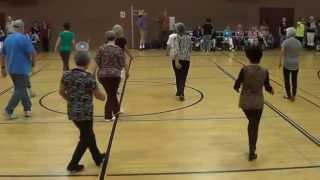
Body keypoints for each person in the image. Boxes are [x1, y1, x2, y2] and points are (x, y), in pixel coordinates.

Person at [59, 51, 106, 173]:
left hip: (72, 112)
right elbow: (100, 96)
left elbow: (61, 91)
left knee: (88, 135)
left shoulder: (66, 75)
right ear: (87, 62)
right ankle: (72, 165)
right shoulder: (88, 77)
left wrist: (72, 100)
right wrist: (103, 95)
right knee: (86, 138)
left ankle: (98, 158)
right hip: (85, 113)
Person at [234, 45, 274, 161]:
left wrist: (241, 87)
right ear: (261, 56)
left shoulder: (244, 69)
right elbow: (267, 87)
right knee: (254, 125)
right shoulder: (265, 71)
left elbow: (236, 86)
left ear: (247, 56)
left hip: (245, 103)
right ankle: (252, 151)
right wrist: (271, 90)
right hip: (258, 103)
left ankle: (252, 149)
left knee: (252, 123)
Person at [1, 19, 36, 119]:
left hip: (11, 69)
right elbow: (33, 53)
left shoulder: (7, 39)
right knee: (20, 89)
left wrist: (3, 68)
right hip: (22, 69)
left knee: (21, 89)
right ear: (22, 27)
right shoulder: (24, 38)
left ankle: (27, 109)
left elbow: (3, 54)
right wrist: (33, 64)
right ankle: (8, 110)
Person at [91, 31, 129, 121]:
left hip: (102, 76)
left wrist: (92, 73)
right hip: (115, 75)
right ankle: (108, 116)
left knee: (111, 93)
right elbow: (123, 62)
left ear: (106, 38)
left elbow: (96, 61)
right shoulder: (118, 49)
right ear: (115, 38)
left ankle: (116, 110)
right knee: (112, 94)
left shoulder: (101, 49)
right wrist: (127, 72)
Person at [279, 27, 302, 102]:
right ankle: (294, 95)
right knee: (294, 79)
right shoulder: (298, 42)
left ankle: (289, 95)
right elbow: (299, 52)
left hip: (287, 63)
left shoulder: (286, 42)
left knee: (287, 79)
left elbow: (281, 52)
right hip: (296, 63)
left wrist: (279, 62)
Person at [172, 23, 192, 101]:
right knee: (183, 77)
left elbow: (176, 49)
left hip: (177, 59)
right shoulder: (189, 38)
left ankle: (180, 92)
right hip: (186, 60)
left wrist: (176, 61)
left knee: (178, 76)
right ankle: (180, 92)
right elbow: (190, 49)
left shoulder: (176, 38)